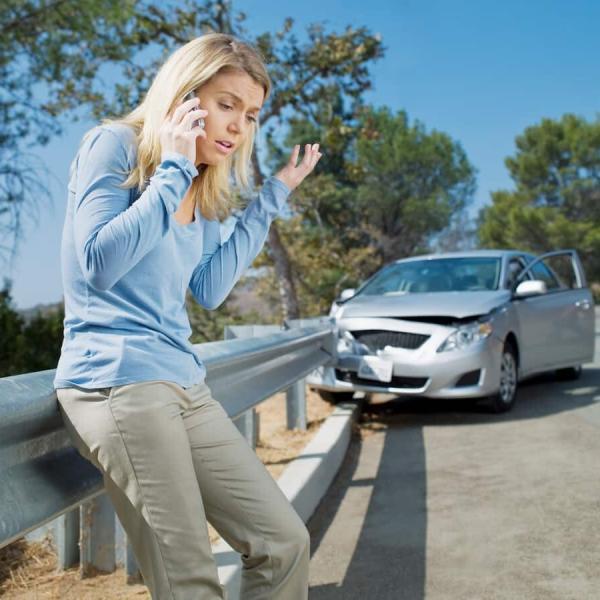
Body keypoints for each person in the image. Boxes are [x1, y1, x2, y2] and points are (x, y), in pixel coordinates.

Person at [53, 32, 322, 599]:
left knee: (283, 543)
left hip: (183, 384)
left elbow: (211, 288)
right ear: (185, 93)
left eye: (250, 115)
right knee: (190, 582)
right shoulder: (117, 146)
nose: (238, 127)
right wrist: (172, 170)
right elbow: (97, 262)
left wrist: (272, 196)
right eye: (227, 105)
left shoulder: (201, 181)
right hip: (120, 383)